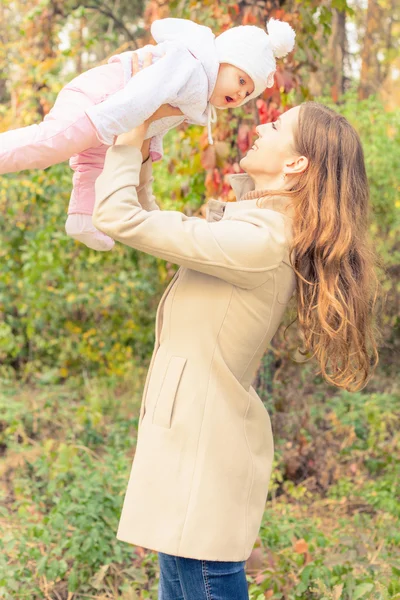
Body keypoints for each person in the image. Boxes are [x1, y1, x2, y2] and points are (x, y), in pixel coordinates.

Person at [91, 59, 381, 600]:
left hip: (206, 450)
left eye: (276, 127)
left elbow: (121, 219)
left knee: (202, 581)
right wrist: (146, 146)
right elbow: (156, 225)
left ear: (296, 163)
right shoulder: (255, 228)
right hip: (192, 441)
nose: (260, 123)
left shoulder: (261, 241)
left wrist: (126, 139)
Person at [0, 16, 295, 252]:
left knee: (94, 164)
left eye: (248, 92)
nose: (241, 92)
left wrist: (145, 161)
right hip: (102, 99)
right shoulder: (190, 65)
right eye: (241, 79)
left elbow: (153, 123)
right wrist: (106, 121)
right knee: (51, 143)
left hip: (115, 112)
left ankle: (81, 219)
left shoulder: (198, 93)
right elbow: (144, 94)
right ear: (221, 60)